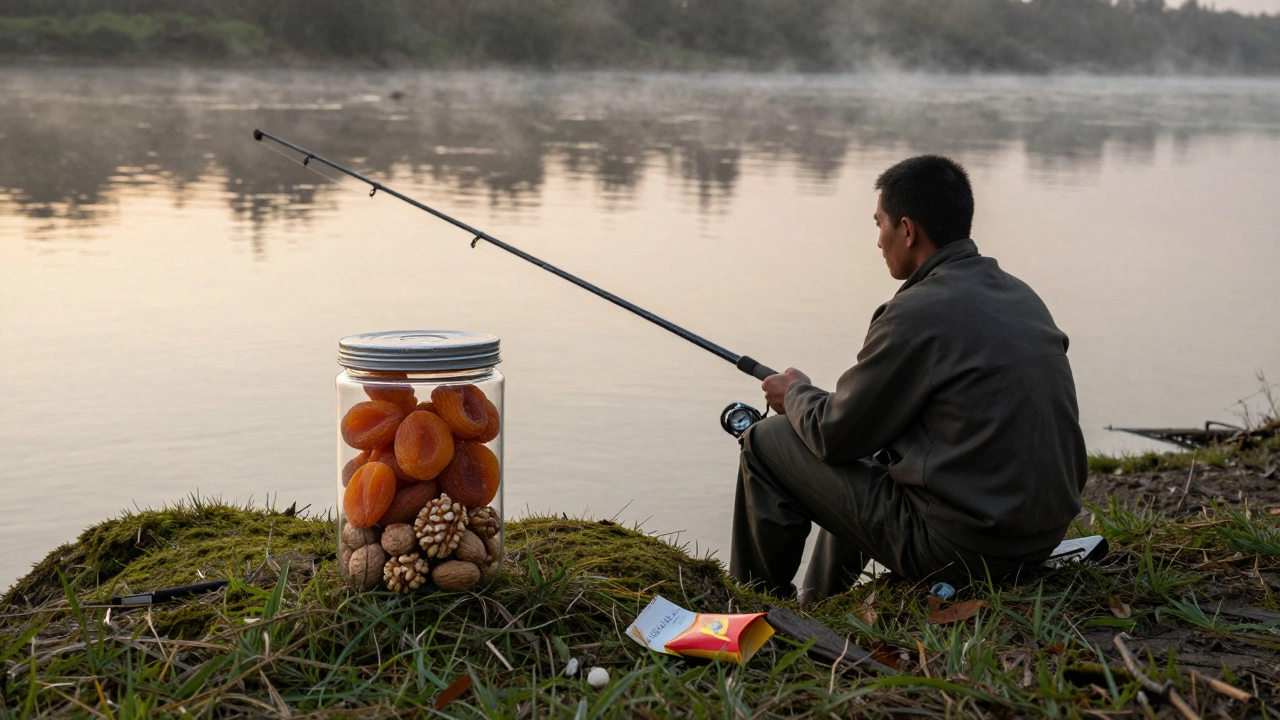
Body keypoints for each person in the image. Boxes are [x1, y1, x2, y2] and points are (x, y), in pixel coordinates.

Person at [729, 155, 1087, 601]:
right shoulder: (1019, 295)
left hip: (965, 552)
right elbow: (861, 428)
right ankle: (817, 600)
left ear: (908, 230)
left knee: (768, 439)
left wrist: (795, 393)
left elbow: (833, 435)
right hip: (1038, 538)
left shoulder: (913, 314)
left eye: (879, 224)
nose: (878, 241)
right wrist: (820, 403)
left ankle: (752, 606)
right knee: (876, 455)